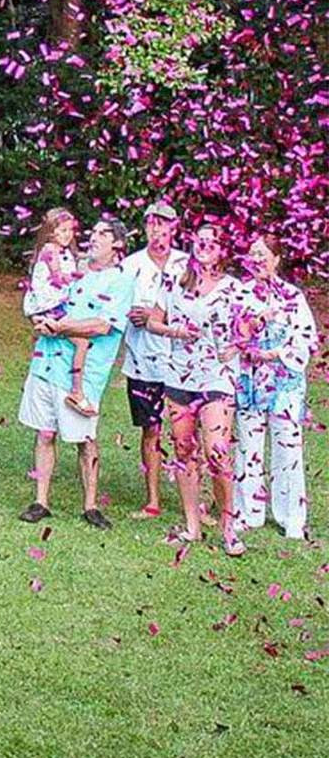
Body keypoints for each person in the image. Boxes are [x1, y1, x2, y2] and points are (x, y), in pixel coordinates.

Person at [17, 219, 135, 529]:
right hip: (47, 363)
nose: (93, 238)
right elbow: (46, 298)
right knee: (44, 432)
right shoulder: (73, 270)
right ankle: (41, 500)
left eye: (102, 234)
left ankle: (91, 506)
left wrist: (61, 327)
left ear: (118, 245)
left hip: (83, 374)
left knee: (85, 438)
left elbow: (103, 325)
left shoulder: (120, 281)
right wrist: (42, 320)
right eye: (93, 232)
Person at [146, 222, 246, 555]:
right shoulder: (176, 278)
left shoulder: (234, 288)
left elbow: (251, 326)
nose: (203, 246)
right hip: (179, 377)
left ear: (222, 250)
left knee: (217, 451)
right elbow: (152, 321)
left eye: (211, 242)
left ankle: (228, 527)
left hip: (217, 377)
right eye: (199, 241)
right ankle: (192, 525)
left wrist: (239, 344)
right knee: (184, 448)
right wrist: (176, 332)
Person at [233, 233, 318, 542]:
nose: (257, 259)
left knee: (287, 448)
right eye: (253, 253)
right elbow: (230, 332)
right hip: (250, 382)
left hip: (284, 384)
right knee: (248, 446)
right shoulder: (240, 293)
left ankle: (291, 517)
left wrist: (275, 354)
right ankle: (247, 511)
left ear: (277, 259)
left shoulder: (292, 296)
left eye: (263, 254)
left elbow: (307, 338)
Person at [120, 199, 189, 520]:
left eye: (163, 223)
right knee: (151, 430)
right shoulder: (130, 265)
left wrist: (156, 316)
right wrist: (132, 315)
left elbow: (196, 311)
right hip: (142, 361)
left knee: (187, 432)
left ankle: (194, 499)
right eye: (151, 223)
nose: (157, 229)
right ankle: (152, 499)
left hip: (182, 364)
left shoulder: (187, 264)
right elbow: (113, 305)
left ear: (174, 228)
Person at [22, 208, 93, 417]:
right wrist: (80, 275)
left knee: (63, 342)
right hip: (50, 307)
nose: (67, 235)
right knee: (81, 342)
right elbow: (58, 277)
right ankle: (76, 391)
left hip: (54, 306)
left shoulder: (63, 251)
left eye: (70, 230)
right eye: (62, 231)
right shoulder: (50, 250)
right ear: (51, 231)